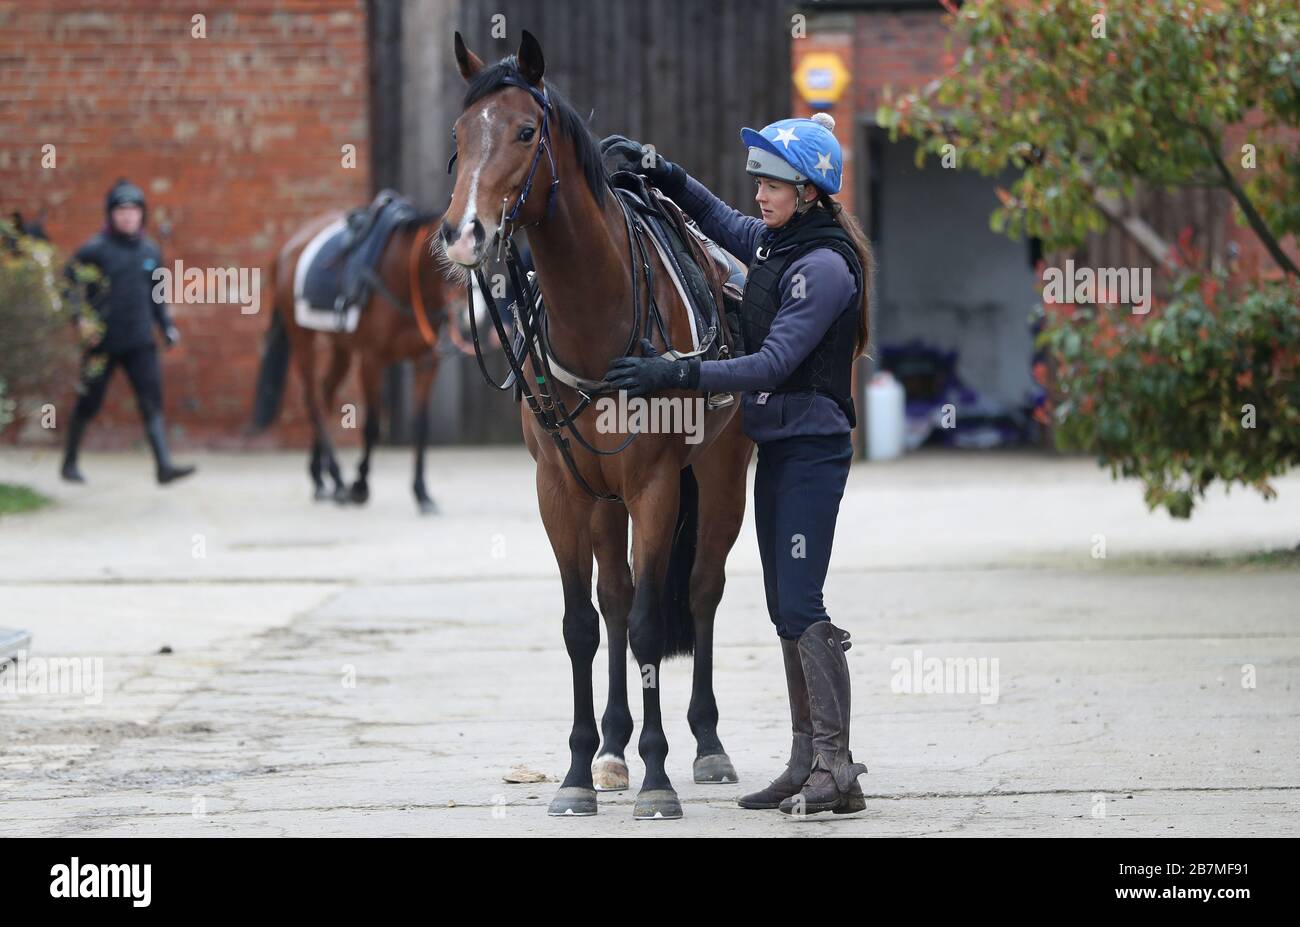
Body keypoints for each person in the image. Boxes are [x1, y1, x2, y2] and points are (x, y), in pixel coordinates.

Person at [602, 112, 872, 815]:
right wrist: (660, 169)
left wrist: (678, 373)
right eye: (759, 178)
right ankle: (804, 759)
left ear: (808, 192)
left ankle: (836, 767)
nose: (759, 192)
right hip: (780, 449)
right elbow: (719, 218)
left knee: (801, 603)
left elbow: (776, 362)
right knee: (785, 606)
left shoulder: (823, 269)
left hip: (813, 451)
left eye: (775, 182)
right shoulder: (782, 244)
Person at [61, 179, 195, 485]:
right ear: (110, 215)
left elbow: (157, 296)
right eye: (121, 211)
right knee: (89, 402)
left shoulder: (149, 251)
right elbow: (67, 282)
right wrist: (80, 318)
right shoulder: (94, 249)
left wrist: (168, 327)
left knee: (152, 402)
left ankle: (163, 467)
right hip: (102, 343)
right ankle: (69, 463)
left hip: (140, 342)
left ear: (141, 215)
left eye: (134, 210)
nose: (128, 216)